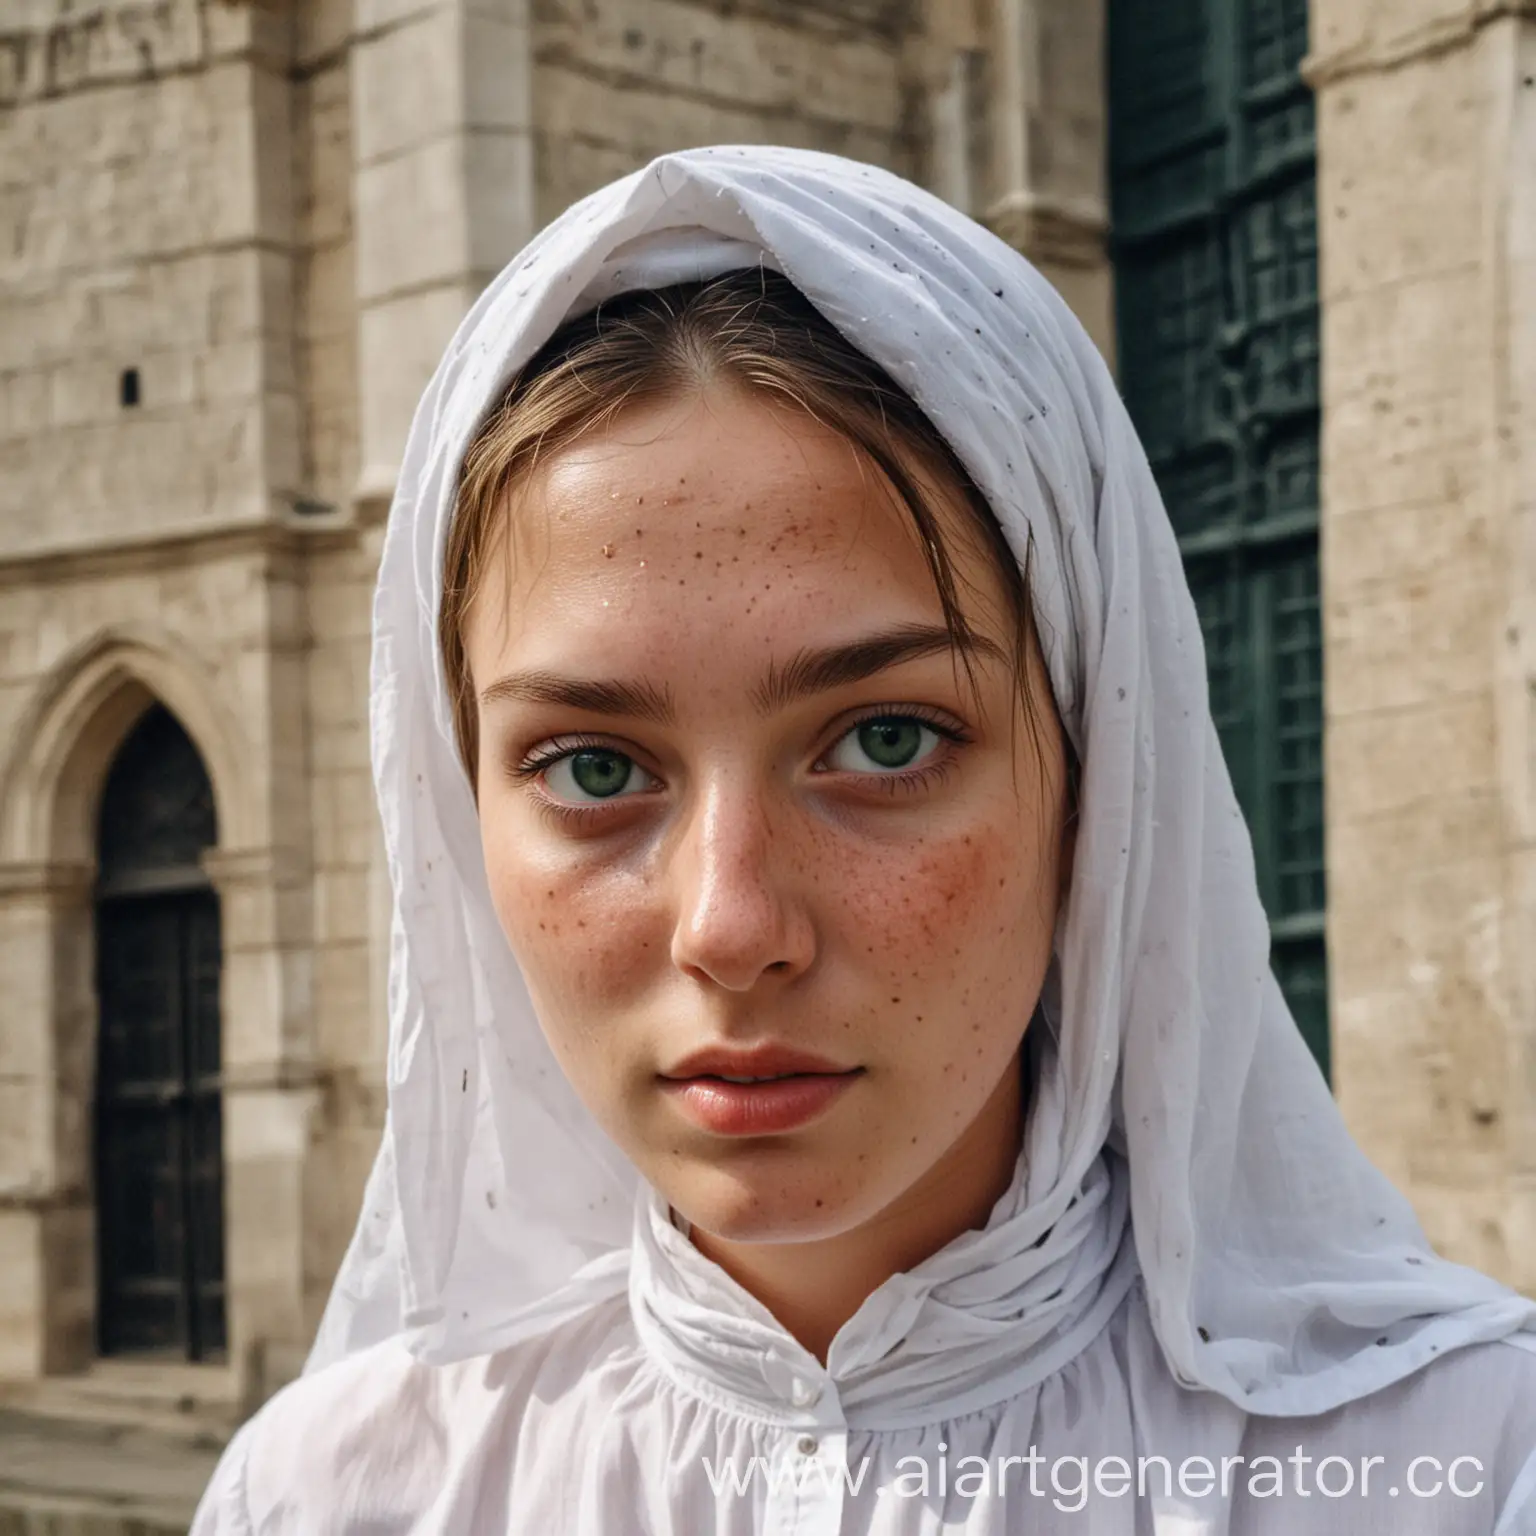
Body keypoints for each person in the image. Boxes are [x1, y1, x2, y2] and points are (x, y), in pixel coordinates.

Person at [190, 147, 1536, 1534]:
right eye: (594, 766)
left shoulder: (1466, 1472)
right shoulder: (329, 1498)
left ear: (1096, 780)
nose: (728, 924)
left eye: (885, 740)